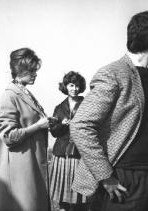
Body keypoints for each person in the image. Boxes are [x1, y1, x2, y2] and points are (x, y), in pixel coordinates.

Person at [69, 11, 148, 211]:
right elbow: (80, 126)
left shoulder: (147, 76)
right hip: (123, 181)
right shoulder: (114, 73)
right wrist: (106, 177)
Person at [0, 48, 53, 211]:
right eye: (32, 70)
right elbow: (8, 136)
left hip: (29, 167)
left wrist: (47, 123)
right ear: (20, 71)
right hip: (20, 172)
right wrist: (38, 126)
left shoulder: (24, 93)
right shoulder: (10, 96)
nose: (35, 74)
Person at [49, 71, 87, 211]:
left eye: (77, 86)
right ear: (66, 86)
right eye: (71, 85)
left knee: (80, 197)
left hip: (80, 154)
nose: (74, 89)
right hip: (61, 155)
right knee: (62, 197)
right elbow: (53, 132)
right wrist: (62, 125)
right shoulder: (59, 108)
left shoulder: (86, 104)